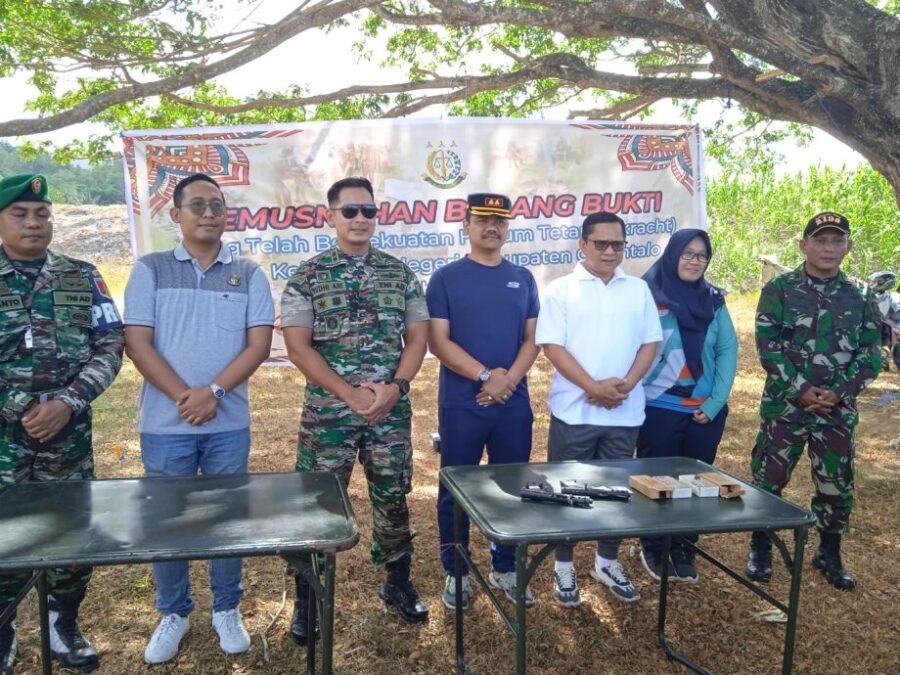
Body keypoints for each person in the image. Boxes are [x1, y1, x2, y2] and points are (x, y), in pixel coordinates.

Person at [124, 173, 274, 663]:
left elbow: (258, 345)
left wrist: (215, 393)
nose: (209, 213)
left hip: (227, 424)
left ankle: (226, 607)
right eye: (197, 205)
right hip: (165, 426)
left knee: (226, 517)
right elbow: (138, 344)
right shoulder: (149, 270)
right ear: (176, 215)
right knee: (168, 519)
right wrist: (185, 398)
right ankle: (174, 611)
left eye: (217, 205)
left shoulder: (248, 274)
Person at [281, 176, 430, 638]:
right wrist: (350, 395)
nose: (360, 219)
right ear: (331, 216)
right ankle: (308, 599)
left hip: (389, 411)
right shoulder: (307, 276)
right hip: (329, 415)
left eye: (368, 211)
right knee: (318, 504)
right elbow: (298, 347)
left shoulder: (400, 274)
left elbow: (417, 339)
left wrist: (396, 388)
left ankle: (397, 581)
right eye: (350, 211)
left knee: (393, 496)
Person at [0, 173, 124, 674]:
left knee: (72, 534)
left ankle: (62, 623)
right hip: (4, 440)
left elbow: (110, 345)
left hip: (68, 437)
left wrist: (69, 402)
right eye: (20, 214)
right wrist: (19, 408)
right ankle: (3, 628)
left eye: (42, 213)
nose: (33, 222)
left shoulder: (83, 275)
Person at [746, 212, 880, 591]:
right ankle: (760, 546)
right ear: (803, 245)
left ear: (848, 247)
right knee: (769, 480)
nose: (829, 248)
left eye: (837, 241)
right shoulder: (780, 290)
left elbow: (870, 354)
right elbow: (768, 347)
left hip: (837, 412)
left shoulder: (861, 296)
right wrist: (800, 388)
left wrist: (840, 392)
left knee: (835, 485)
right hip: (785, 408)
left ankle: (829, 552)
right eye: (820, 240)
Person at [536, 211, 662, 607]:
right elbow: (552, 347)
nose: (610, 251)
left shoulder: (638, 289)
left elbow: (650, 344)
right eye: (601, 243)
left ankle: (606, 562)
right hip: (575, 413)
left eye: (617, 244)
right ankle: (564, 566)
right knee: (566, 491)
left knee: (615, 493)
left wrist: (625, 386)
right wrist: (594, 388)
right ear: (583, 244)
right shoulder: (561, 290)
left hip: (624, 411)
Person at [427, 193, 540, 610]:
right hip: (463, 403)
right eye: (483, 219)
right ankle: (456, 570)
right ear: (466, 224)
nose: (492, 227)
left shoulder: (523, 278)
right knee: (456, 490)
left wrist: (507, 380)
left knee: (513, 488)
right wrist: (485, 376)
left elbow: (532, 340)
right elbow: (438, 342)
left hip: (512, 402)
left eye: (500, 220)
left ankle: (505, 567)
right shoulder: (445, 278)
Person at [636, 229, 738, 581]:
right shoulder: (647, 295)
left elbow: (727, 350)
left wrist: (715, 403)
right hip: (658, 407)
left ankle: (683, 544)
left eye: (702, 255)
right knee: (656, 480)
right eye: (688, 253)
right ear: (673, 254)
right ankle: (653, 545)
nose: (695, 261)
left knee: (696, 483)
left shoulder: (713, 301)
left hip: (704, 411)